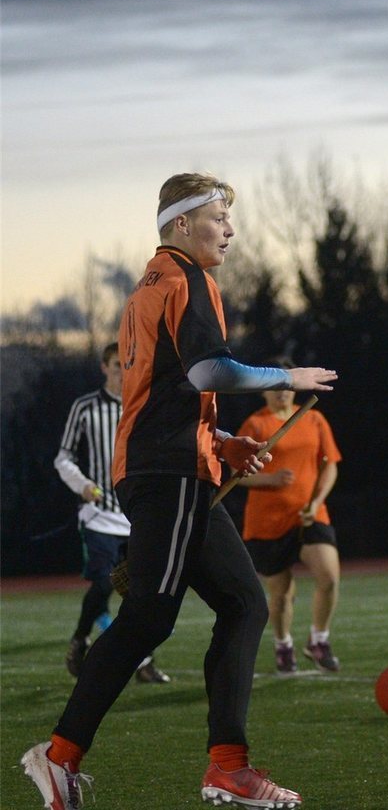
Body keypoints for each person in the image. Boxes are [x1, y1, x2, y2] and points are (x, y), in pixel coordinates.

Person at [22, 173, 336, 810]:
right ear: (181, 223)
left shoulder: (154, 283)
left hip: (173, 468)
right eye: (220, 217)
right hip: (165, 475)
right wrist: (288, 374)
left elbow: (165, 392)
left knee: (244, 605)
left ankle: (229, 766)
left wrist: (221, 442)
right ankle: (58, 758)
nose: (230, 230)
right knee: (148, 617)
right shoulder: (186, 279)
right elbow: (208, 370)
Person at [54, 342, 170, 684]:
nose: (123, 371)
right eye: (116, 365)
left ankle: (142, 659)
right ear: (105, 368)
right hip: (99, 514)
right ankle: (80, 640)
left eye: (127, 365)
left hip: (137, 514)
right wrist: (83, 485)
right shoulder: (86, 407)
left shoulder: (144, 406)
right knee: (105, 582)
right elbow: (63, 457)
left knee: (143, 593)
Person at [236, 360, 344, 675]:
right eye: (274, 387)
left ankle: (319, 640)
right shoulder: (255, 426)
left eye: (286, 386)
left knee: (329, 577)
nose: (282, 393)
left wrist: (317, 501)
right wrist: (269, 480)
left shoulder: (314, 419)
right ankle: (283, 645)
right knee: (281, 596)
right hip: (268, 522)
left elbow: (330, 465)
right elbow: (235, 474)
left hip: (310, 515)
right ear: (263, 392)